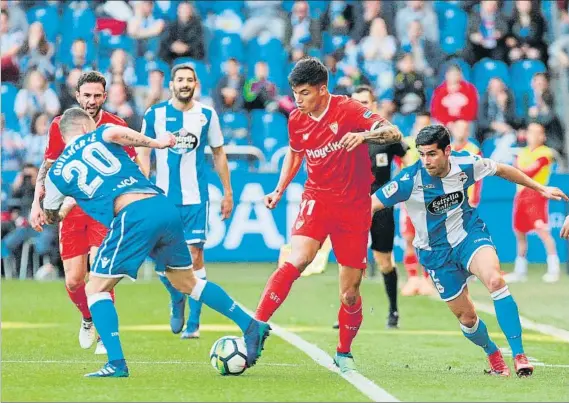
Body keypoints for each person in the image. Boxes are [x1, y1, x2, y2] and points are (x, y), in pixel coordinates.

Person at [41, 108, 270, 378]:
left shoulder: (56, 174)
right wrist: (155, 142)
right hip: (162, 206)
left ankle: (116, 363)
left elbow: (51, 215)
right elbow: (117, 133)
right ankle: (251, 326)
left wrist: (65, 207)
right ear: (83, 128)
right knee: (187, 282)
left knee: (94, 288)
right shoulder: (101, 133)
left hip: (133, 215)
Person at [371, 124, 568, 377]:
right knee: (467, 318)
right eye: (422, 154)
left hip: (468, 236)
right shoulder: (409, 179)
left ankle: (519, 355)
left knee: (495, 280)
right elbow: (372, 204)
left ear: (447, 151)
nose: (426, 160)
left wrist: (540, 188)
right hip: (435, 254)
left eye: (432, 154)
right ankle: (492, 352)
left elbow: (502, 169)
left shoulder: (466, 163)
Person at [253, 57, 403, 373]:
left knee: (349, 294)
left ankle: (344, 352)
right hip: (317, 199)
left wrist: (363, 136)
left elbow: (392, 133)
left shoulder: (347, 110)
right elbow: (295, 154)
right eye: (295, 94)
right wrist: (279, 189)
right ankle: (256, 326)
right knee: (298, 259)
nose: (298, 101)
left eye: (305, 93)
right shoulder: (296, 118)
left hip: (353, 207)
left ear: (322, 90)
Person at [29, 71, 139, 355]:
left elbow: (132, 168)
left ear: (105, 96)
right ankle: (88, 318)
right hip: (71, 211)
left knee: (99, 272)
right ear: (77, 96)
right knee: (74, 280)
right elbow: (49, 165)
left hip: (103, 210)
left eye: (96, 95)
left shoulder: (116, 126)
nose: (91, 101)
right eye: (86, 95)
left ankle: (106, 335)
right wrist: (36, 204)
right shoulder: (61, 125)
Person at [138, 63, 234, 339]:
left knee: (194, 257)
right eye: (179, 79)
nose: (184, 84)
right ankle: (177, 296)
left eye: (189, 80)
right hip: (162, 197)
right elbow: (143, 150)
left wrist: (228, 192)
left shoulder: (206, 115)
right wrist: (144, 180)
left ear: (195, 84)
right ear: (171, 84)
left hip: (195, 198)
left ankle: (193, 322)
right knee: (159, 259)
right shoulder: (154, 114)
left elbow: (218, 153)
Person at [352, 85, 408, 329]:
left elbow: (407, 158)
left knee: (384, 260)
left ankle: (393, 310)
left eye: (364, 102)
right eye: (356, 103)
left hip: (382, 204)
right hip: (353, 204)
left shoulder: (386, 134)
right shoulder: (346, 134)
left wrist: (399, 187)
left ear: (373, 105)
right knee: (350, 260)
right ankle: (347, 313)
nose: (360, 107)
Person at [505, 122, 560, 283]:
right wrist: (516, 169)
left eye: (537, 133)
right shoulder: (522, 152)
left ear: (543, 136)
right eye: (530, 132)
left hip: (536, 195)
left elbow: (528, 172)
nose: (532, 135)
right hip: (521, 195)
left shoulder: (545, 153)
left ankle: (554, 269)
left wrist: (517, 169)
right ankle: (520, 271)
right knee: (519, 233)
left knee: (543, 231)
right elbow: (516, 171)